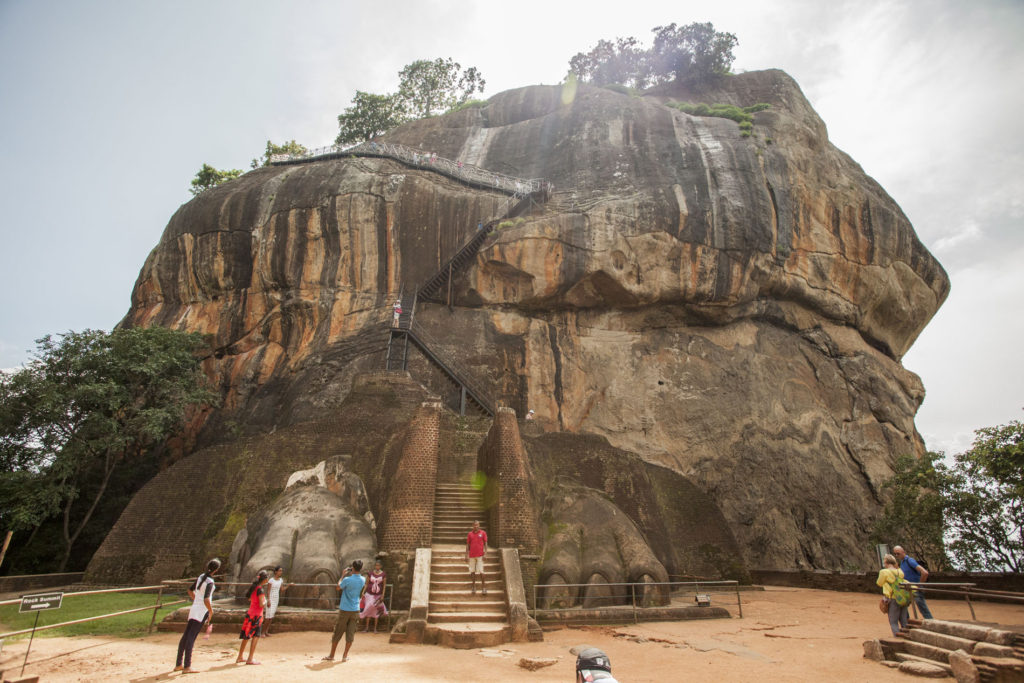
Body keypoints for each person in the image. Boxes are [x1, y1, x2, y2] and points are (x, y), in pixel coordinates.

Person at [175, 558, 221, 674]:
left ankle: (179, 664)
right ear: (216, 570)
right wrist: (211, 611)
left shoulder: (201, 577)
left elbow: (190, 591)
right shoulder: (210, 582)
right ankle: (187, 666)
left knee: (186, 636)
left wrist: (197, 601)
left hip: (195, 609)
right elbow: (206, 599)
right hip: (201, 611)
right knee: (191, 637)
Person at [324, 560, 365, 662]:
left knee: (338, 632)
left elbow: (338, 587)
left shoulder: (347, 579)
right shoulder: (363, 579)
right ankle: (345, 656)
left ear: (353, 568)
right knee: (350, 634)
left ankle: (332, 655)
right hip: (355, 609)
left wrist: (342, 576)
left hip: (345, 609)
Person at [236, 570, 269, 665]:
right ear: (265, 579)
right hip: (257, 615)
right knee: (255, 636)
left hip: (250, 613)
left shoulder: (253, 588)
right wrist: (266, 601)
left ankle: (240, 656)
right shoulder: (260, 590)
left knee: (246, 636)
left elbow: (250, 598)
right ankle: (250, 658)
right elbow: (261, 604)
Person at [893, 545, 933, 619]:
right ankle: (906, 623)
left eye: (898, 553)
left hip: (915, 589)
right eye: (895, 554)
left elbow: (925, 573)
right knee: (902, 606)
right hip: (908, 589)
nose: (896, 555)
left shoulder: (909, 560)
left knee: (923, 609)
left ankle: (932, 623)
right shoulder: (902, 562)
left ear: (903, 552)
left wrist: (919, 585)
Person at [877, 553, 910, 636]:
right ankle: (907, 637)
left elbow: (879, 583)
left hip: (892, 598)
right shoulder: (900, 571)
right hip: (902, 597)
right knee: (904, 621)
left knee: (893, 621)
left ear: (886, 562)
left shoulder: (884, 572)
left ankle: (897, 638)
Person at [359, 559, 388, 633]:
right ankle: (366, 628)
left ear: (381, 566)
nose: (377, 567)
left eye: (378, 565)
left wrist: (383, 595)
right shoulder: (370, 573)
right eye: (376, 565)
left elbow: (384, 586)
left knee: (376, 611)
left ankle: (375, 628)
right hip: (369, 594)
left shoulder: (383, 574)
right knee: (368, 609)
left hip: (378, 595)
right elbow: (366, 584)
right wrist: (363, 592)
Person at [262, 566, 289, 636]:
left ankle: (266, 631)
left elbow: (282, 589)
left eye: (281, 571)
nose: (281, 572)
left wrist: (289, 585)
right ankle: (262, 632)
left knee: (271, 617)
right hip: (271, 598)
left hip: (276, 599)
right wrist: (268, 600)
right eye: (280, 570)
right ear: (276, 572)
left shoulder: (281, 580)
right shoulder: (271, 580)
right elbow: (268, 590)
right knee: (268, 616)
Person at [466, 520, 488, 595]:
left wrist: (485, 553)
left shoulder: (483, 533)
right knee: (472, 571)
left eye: (477, 525)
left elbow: (485, 543)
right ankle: (473, 587)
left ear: (479, 525)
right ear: (473, 525)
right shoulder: (470, 534)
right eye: (475, 525)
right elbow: (468, 545)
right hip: (472, 555)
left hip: (480, 555)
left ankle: (484, 587)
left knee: (481, 571)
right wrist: (466, 555)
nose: (476, 526)